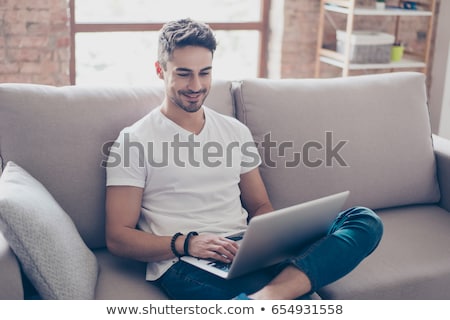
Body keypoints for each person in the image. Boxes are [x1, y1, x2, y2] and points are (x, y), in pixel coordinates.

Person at [105, 18, 383, 300]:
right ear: (159, 70)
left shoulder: (234, 131)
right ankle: (283, 292)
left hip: (243, 250)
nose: (196, 85)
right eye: (183, 74)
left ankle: (268, 297)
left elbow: (260, 205)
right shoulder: (134, 141)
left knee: (364, 221)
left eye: (205, 72)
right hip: (184, 262)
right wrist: (188, 244)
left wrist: (265, 243)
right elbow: (118, 237)